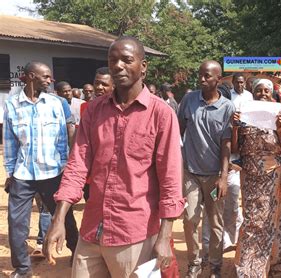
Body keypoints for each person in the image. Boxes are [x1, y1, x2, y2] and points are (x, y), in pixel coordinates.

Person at [44, 36, 184, 277]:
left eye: (127, 60)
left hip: (134, 234)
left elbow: (170, 178)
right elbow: (77, 165)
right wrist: (59, 219)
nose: (118, 65)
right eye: (113, 60)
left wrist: (165, 237)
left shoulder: (161, 114)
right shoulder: (94, 111)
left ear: (143, 66)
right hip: (92, 230)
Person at [3, 61, 79, 278]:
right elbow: (9, 142)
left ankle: (76, 253)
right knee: (16, 224)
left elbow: (63, 141)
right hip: (23, 175)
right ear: (30, 76)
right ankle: (23, 268)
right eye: (46, 77)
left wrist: (65, 171)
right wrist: (10, 172)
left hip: (53, 174)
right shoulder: (12, 105)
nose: (50, 80)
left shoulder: (56, 103)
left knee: (65, 218)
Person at [232, 78, 281, 277]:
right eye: (259, 90)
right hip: (250, 174)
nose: (263, 93)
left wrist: (280, 131)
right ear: (252, 92)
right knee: (251, 219)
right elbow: (236, 148)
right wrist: (236, 127)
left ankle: (269, 264)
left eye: (266, 90)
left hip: (273, 174)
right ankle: (247, 264)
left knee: (271, 219)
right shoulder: (244, 114)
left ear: (272, 93)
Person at [178, 60, 234, 278]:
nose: (202, 79)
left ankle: (215, 266)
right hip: (190, 172)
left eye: (207, 76)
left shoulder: (227, 107)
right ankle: (194, 264)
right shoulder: (189, 100)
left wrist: (223, 176)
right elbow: (178, 133)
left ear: (218, 79)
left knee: (215, 222)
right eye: (200, 74)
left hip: (214, 176)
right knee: (190, 219)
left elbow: (226, 145)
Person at [202, 73, 251, 261]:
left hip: (231, 174)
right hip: (212, 174)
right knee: (211, 210)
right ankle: (208, 249)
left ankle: (230, 240)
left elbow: (239, 148)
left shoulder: (235, 120)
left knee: (232, 208)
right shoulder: (206, 120)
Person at [80, 67, 115, 202]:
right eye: (97, 83)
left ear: (114, 85)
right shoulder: (87, 108)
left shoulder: (122, 109)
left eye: (104, 84)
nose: (99, 87)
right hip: (93, 171)